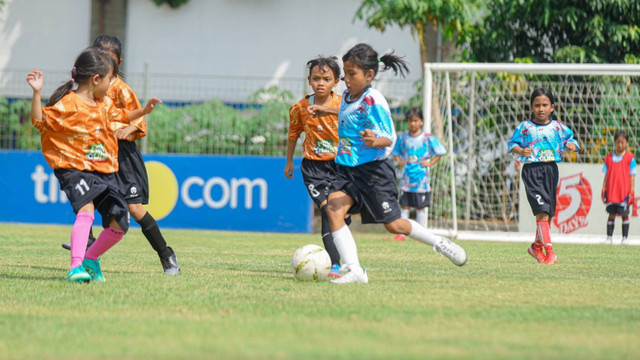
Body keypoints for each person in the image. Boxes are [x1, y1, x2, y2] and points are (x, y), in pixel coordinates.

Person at [325, 43, 467, 284]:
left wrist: (374, 140)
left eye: (352, 74)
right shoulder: (348, 97)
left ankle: (439, 243)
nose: (345, 79)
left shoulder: (373, 100)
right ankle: (355, 270)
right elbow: (345, 115)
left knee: (394, 225)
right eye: (345, 73)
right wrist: (322, 110)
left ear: (369, 75)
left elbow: (388, 136)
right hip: (348, 170)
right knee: (333, 208)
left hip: (374, 173)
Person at [27, 47, 161, 282]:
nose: (111, 85)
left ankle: (90, 259)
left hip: (103, 172)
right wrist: (37, 93)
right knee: (86, 210)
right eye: (110, 79)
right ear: (96, 79)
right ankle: (75, 267)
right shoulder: (69, 104)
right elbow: (40, 121)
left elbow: (122, 116)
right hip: (74, 170)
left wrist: (144, 111)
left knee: (120, 223)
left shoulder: (104, 104)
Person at [60, 35, 180, 275]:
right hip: (100, 152)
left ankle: (166, 255)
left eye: (109, 59)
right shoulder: (90, 87)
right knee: (87, 197)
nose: (103, 63)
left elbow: (139, 122)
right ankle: (89, 245)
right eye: (99, 57)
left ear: (118, 63)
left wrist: (128, 128)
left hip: (123, 157)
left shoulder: (122, 90)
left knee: (134, 209)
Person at [284, 56, 343, 277]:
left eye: (326, 79)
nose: (321, 83)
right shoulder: (299, 108)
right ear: (309, 80)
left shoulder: (341, 104)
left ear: (336, 81)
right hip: (313, 169)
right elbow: (293, 134)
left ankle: (341, 259)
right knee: (328, 210)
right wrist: (289, 161)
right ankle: (335, 264)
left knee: (339, 214)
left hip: (340, 166)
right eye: (316, 78)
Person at [508, 88, 580, 264]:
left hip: (551, 171)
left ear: (552, 107)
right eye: (537, 105)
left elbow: (573, 141)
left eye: (545, 105)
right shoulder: (525, 128)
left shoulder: (558, 127)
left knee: (548, 214)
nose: (541, 109)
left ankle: (535, 247)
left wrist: (571, 145)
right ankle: (550, 251)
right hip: (532, 171)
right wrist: (521, 150)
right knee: (541, 211)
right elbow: (512, 144)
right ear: (532, 107)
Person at [390, 107, 446, 241]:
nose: (412, 124)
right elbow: (395, 151)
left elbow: (441, 151)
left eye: (415, 120)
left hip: (421, 181)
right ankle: (402, 234)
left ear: (421, 121)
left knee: (421, 207)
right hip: (406, 180)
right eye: (410, 121)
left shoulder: (427, 138)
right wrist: (400, 161)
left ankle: (422, 234)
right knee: (405, 205)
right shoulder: (403, 138)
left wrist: (430, 163)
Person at [602, 130, 636, 245]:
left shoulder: (630, 158)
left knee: (624, 215)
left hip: (623, 193)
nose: (620, 145)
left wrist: (631, 191)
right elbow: (606, 175)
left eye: (622, 142)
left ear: (627, 143)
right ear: (615, 142)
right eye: (618, 142)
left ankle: (625, 238)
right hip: (612, 192)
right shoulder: (609, 158)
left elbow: (632, 176)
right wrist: (603, 188)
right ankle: (609, 237)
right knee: (611, 215)